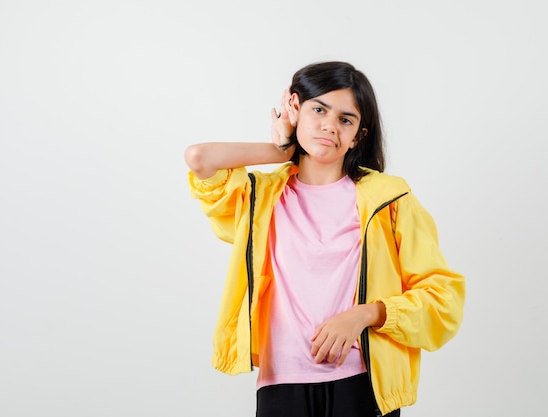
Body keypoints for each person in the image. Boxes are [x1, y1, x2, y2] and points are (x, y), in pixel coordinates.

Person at [184, 61, 465, 417]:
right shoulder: (261, 198)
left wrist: (366, 314)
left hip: (363, 382)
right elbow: (199, 158)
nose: (330, 126)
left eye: (346, 120)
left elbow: (443, 297)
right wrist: (283, 148)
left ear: (358, 135)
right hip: (281, 383)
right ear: (295, 110)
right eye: (318, 110)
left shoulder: (389, 199)